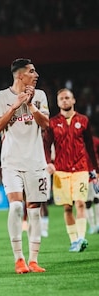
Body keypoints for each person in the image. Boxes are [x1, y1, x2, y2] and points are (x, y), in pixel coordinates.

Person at [0, 58, 50, 274]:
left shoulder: (41, 96)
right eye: (32, 71)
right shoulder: (1, 97)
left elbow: (46, 125)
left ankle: (33, 260)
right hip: (11, 162)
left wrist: (30, 104)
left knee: (34, 212)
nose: (36, 75)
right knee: (16, 206)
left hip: (36, 162)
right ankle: (19, 259)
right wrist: (15, 105)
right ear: (20, 75)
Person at [43, 88, 97, 252]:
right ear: (58, 103)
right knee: (67, 207)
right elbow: (45, 145)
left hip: (81, 169)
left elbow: (89, 146)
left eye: (67, 98)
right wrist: (48, 162)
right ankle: (73, 240)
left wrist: (95, 169)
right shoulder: (52, 123)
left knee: (80, 203)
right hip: (61, 171)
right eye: (61, 99)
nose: (65, 101)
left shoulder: (83, 120)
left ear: (73, 101)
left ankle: (81, 238)